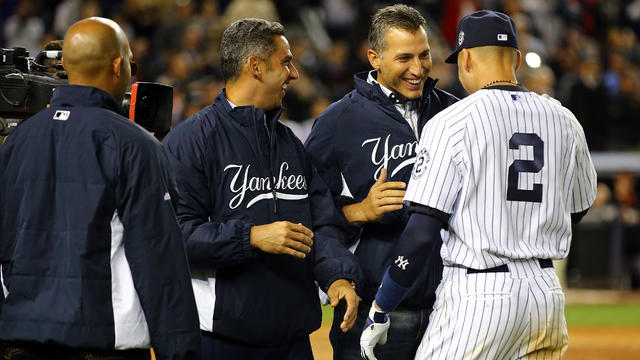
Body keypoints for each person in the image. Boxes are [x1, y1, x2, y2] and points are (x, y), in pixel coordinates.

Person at [360, 10, 597, 360]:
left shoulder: (452, 121)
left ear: (466, 58)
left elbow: (422, 233)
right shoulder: (564, 119)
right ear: (516, 59)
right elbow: (578, 207)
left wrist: (382, 305)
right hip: (546, 297)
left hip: (480, 296)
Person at [0, 17, 201, 360]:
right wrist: (180, 351)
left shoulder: (17, 140)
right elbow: (159, 261)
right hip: (101, 341)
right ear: (118, 64)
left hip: (20, 338)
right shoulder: (135, 145)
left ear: (64, 64)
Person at [162, 18, 362, 360]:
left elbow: (322, 222)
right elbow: (174, 235)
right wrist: (252, 237)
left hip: (292, 337)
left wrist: (338, 277)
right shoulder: (191, 141)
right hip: (222, 337)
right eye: (285, 62)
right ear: (255, 66)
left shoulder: (290, 145)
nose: (294, 74)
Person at [304, 5, 457, 359]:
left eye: (424, 55)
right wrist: (359, 211)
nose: (417, 69)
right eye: (404, 58)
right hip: (373, 306)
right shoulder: (338, 121)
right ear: (375, 57)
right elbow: (309, 214)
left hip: (450, 308)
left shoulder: (453, 113)